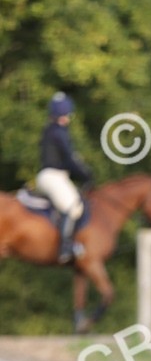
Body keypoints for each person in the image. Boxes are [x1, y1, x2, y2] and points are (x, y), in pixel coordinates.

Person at [36, 92, 93, 264]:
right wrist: (85, 175)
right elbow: (69, 159)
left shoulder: (50, 130)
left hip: (50, 176)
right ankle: (65, 248)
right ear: (65, 114)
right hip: (53, 176)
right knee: (73, 205)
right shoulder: (59, 132)